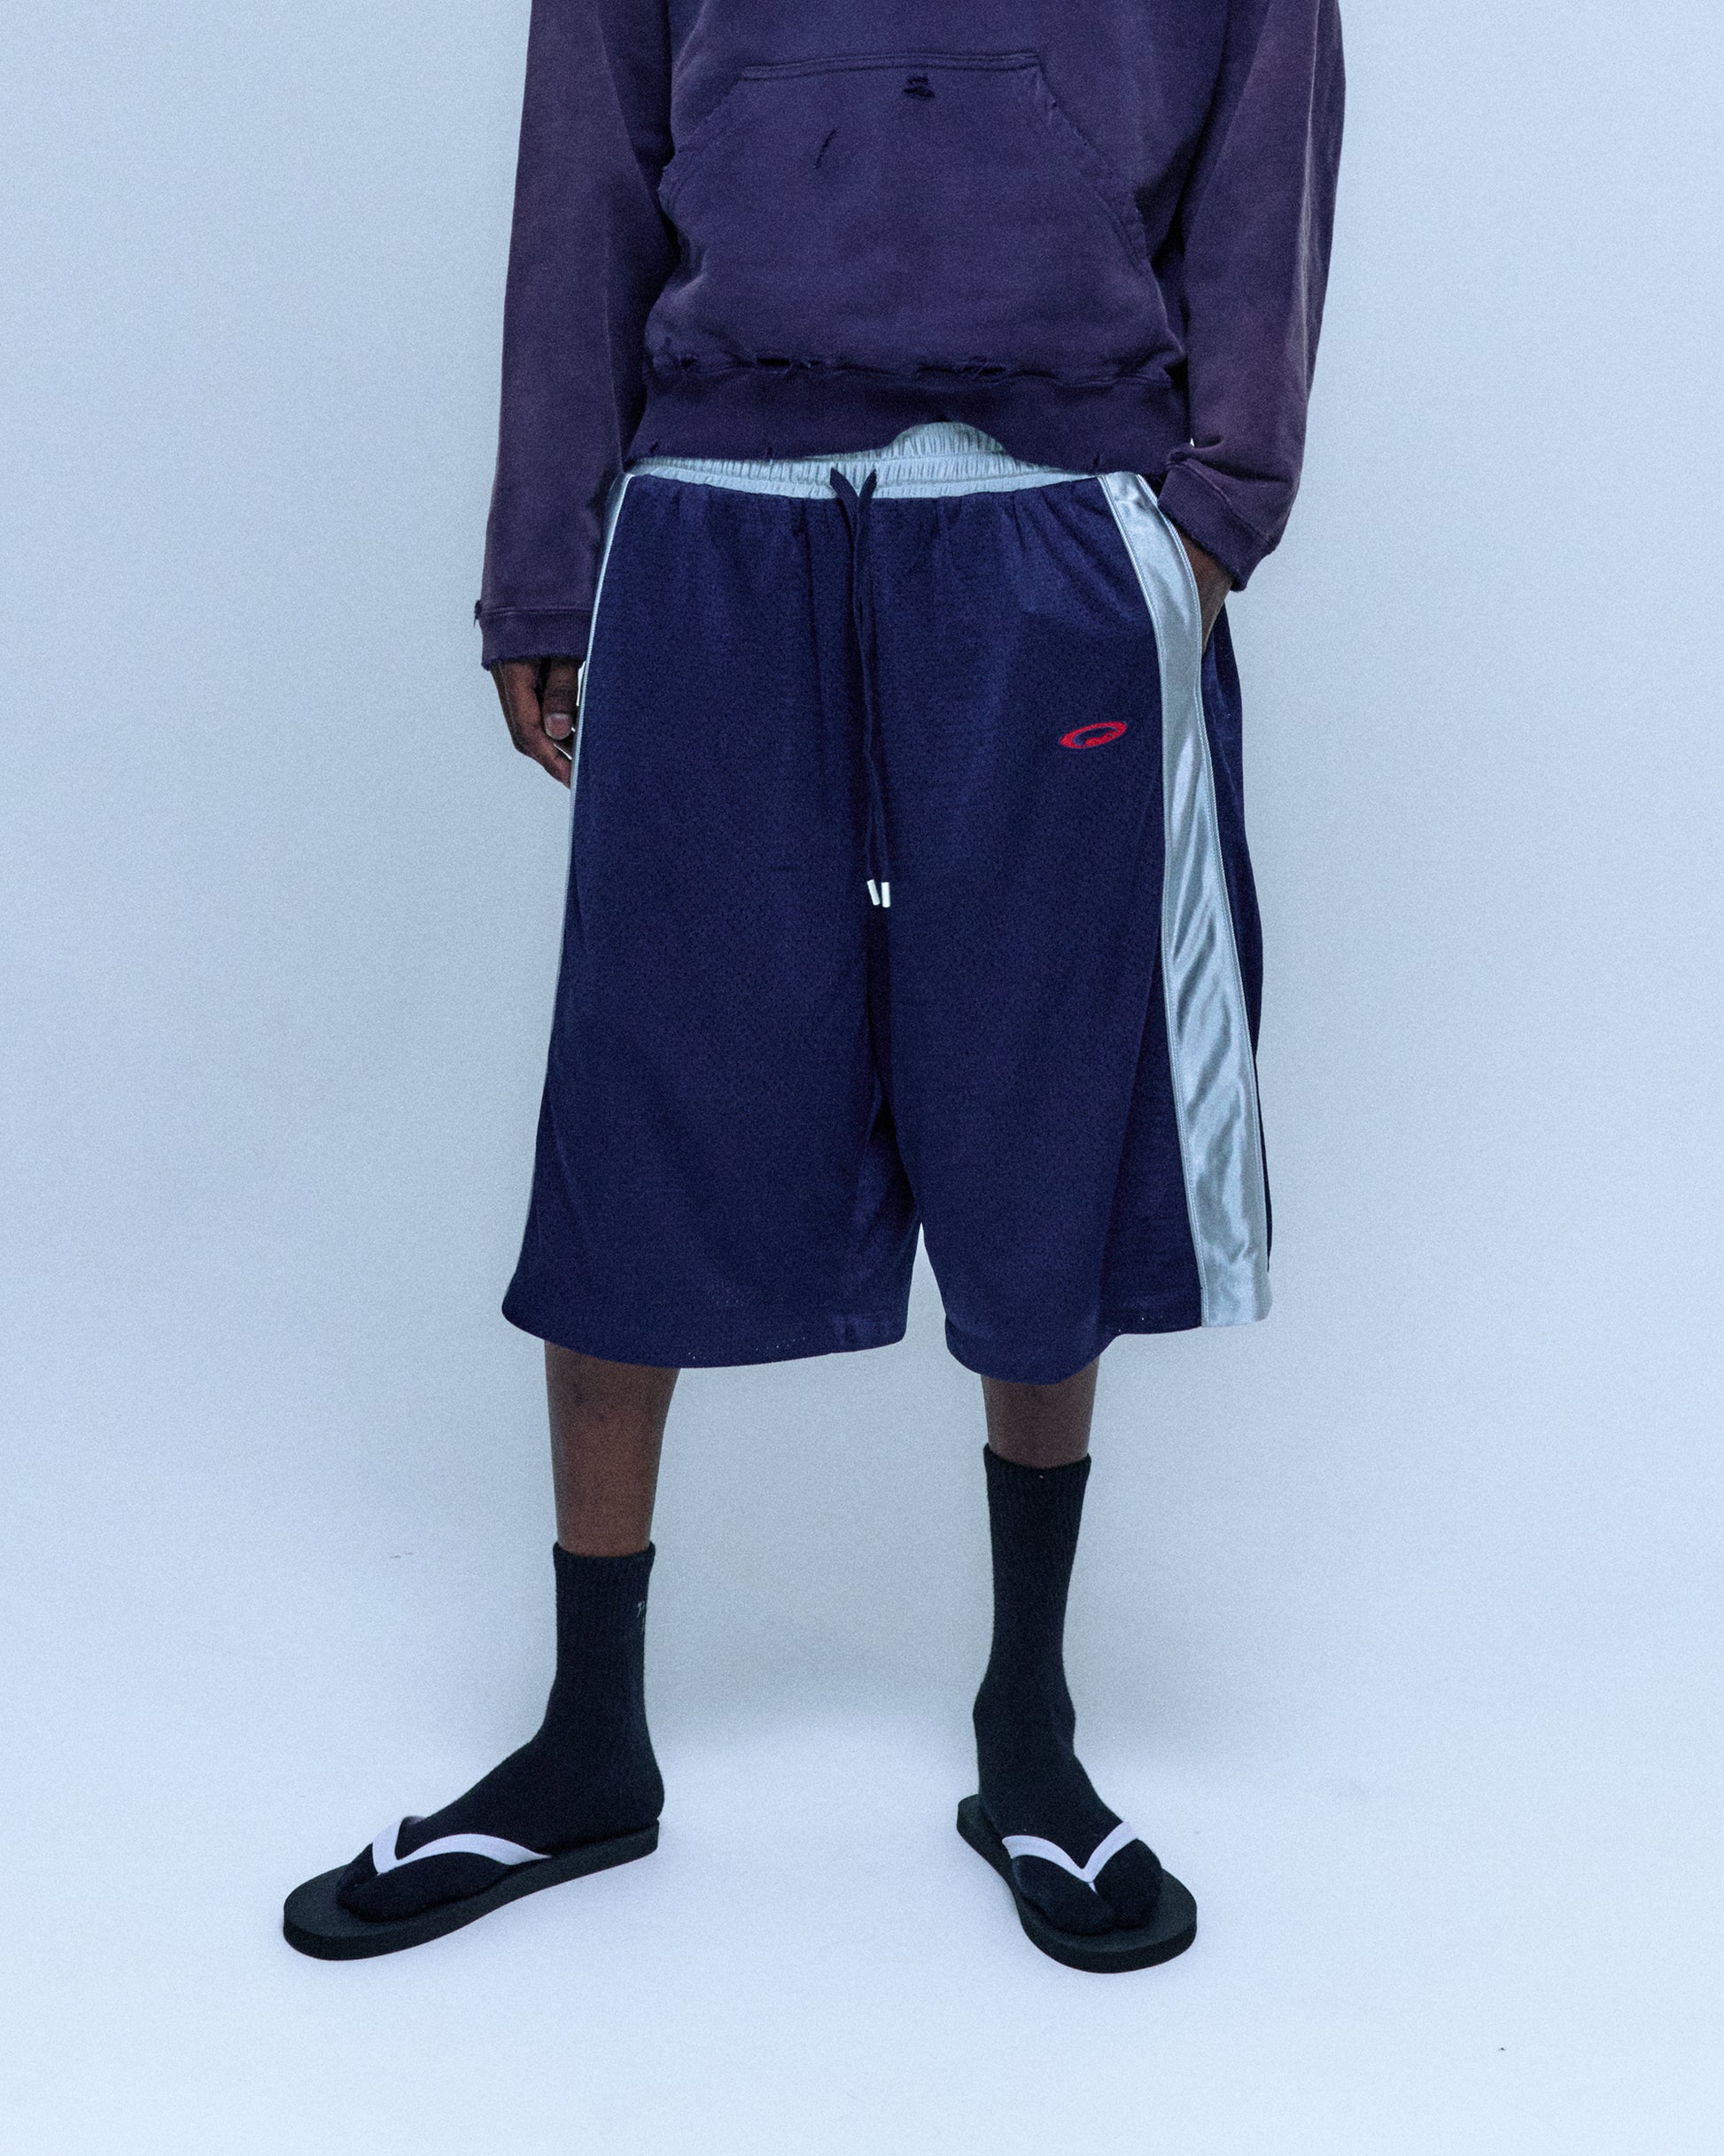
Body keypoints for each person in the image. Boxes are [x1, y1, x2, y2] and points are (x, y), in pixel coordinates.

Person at [284, 0, 1345, 1972]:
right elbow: (585, 169)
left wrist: (1214, 520)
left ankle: (1028, 1731)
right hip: (716, 515)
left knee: (1040, 1106)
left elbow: (1267, 139)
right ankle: (588, 1738)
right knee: (643, 1105)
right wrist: (542, 559)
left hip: (1055, 518)